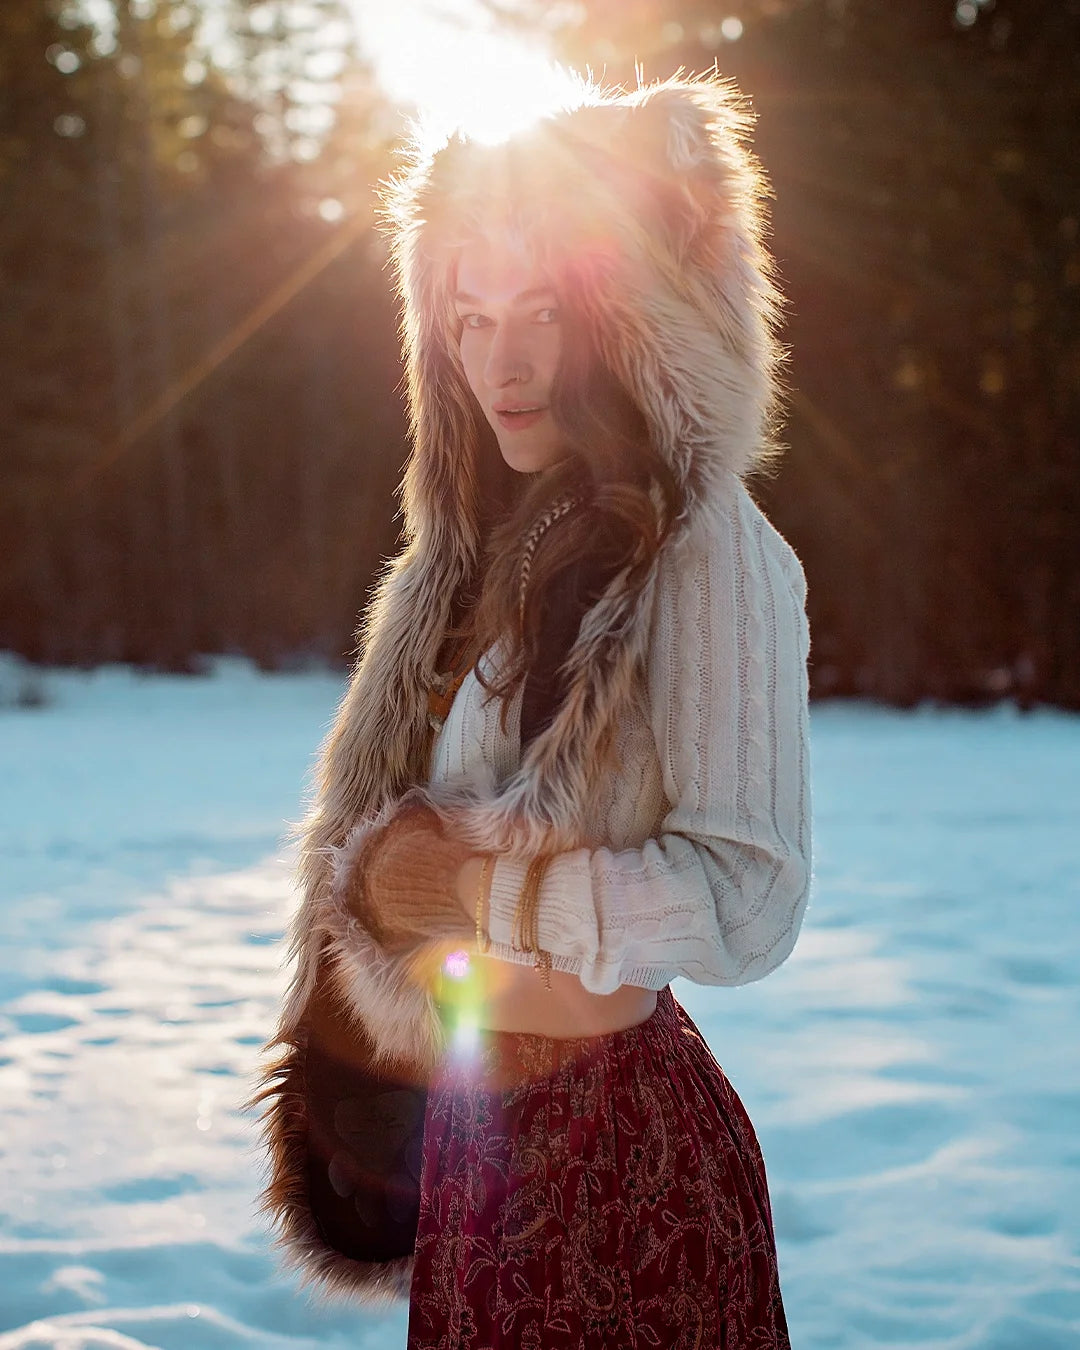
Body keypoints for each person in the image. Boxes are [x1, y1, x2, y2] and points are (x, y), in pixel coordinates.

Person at [255, 71, 812, 1348]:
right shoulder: (474, 566)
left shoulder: (704, 548)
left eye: (544, 312)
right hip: (480, 1144)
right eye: (469, 318)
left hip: (622, 1162)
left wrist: (472, 896)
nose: (501, 365)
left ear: (626, 315)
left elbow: (749, 900)